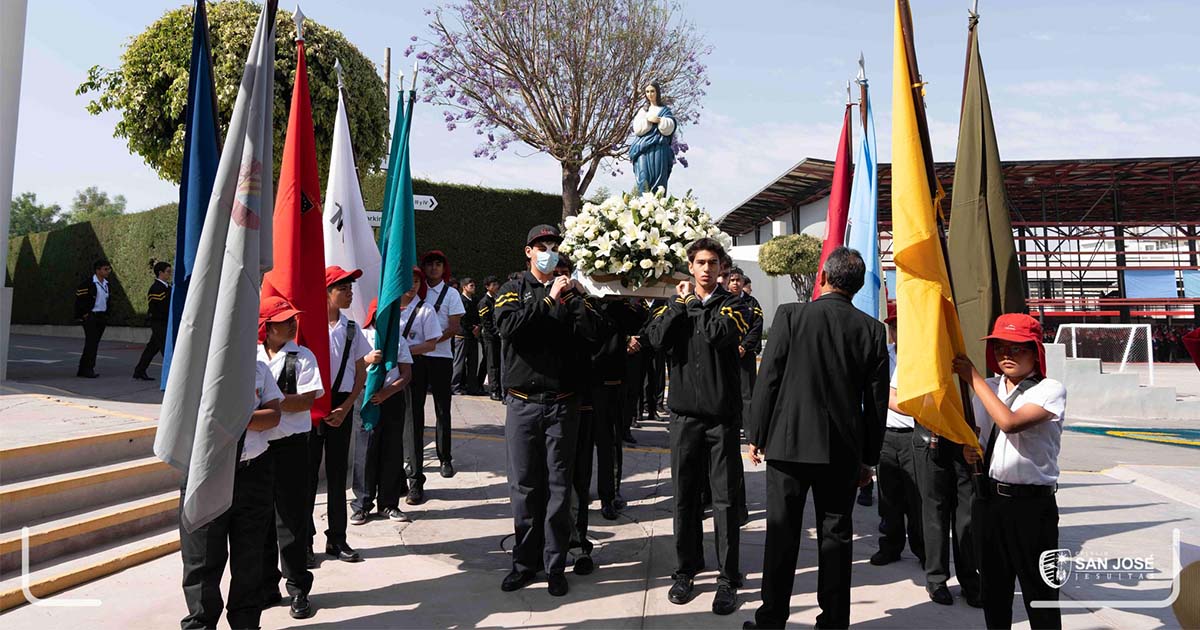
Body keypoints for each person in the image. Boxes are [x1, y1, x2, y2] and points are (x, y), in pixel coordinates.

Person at [745, 247, 889, 630]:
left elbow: (769, 379)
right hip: (842, 451)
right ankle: (834, 621)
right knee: (836, 537)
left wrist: (755, 434)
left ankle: (772, 619)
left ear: (823, 276)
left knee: (782, 534)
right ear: (857, 287)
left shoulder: (791, 316)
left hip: (788, 444)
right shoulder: (872, 331)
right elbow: (876, 403)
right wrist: (868, 459)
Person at [496, 224, 601, 597]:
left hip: (561, 405)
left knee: (559, 489)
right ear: (528, 251)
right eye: (542, 245)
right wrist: (546, 301)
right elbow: (509, 328)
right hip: (523, 404)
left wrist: (575, 298)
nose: (548, 251)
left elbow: (594, 334)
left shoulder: (571, 292)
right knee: (525, 487)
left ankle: (556, 564)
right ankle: (525, 563)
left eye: (554, 246)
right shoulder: (513, 290)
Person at [646, 237, 747, 616]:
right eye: (700, 262)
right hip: (685, 417)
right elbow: (655, 339)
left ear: (722, 268)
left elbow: (720, 334)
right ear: (690, 267)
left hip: (721, 418)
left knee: (723, 500)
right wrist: (678, 306)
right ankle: (686, 570)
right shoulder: (675, 305)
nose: (707, 269)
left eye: (713, 262)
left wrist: (692, 307)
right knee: (685, 497)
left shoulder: (736, 305)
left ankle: (728, 576)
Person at [953, 314, 1066, 630]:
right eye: (1000, 347)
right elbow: (980, 435)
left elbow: (1010, 422)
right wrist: (969, 449)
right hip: (990, 501)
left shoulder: (1050, 390)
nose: (1007, 355)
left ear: (1035, 351)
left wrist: (971, 376)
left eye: (1017, 349)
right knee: (995, 592)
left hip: (1032, 506)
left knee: (1040, 594)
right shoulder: (988, 387)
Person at [178, 356, 282, 630]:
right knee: (201, 559)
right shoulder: (198, 368)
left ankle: (246, 623)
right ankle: (200, 624)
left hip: (252, 472)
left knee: (250, 558)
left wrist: (235, 418)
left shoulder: (258, 369)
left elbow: (273, 415)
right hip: (208, 472)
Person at [257, 296, 322, 620]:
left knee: (292, 521)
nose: (293, 323)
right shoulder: (252, 357)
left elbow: (307, 401)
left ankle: (298, 588)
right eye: (285, 320)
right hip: (258, 448)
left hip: (292, 446)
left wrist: (268, 403)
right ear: (267, 328)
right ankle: (267, 585)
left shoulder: (302, 356)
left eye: (293, 318)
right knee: (260, 520)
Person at [306, 266, 373, 565]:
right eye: (343, 288)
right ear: (327, 292)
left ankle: (337, 538)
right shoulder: (307, 326)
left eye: (351, 288)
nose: (349, 293)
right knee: (306, 479)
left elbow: (361, 372)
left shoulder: (351, 328)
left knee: (336, 478)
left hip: (341, 406)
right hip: (310, 407)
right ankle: (304, 542)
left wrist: (346, 408)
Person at [870, 305, 927, 575]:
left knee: (916, 496)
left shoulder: (922, 359)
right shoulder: (882, 356)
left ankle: (923, 548)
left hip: (914, 435)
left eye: (902, 326)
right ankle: (890, 545)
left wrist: (893, 400)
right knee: (888, 497)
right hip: (886, 434)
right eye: (894, 327)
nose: (897, 332)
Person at [408, 250, 465, 490]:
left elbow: (454, 327)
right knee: (415, 411)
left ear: (444, 268)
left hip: (440, 356)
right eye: (429, 264)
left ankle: (445, 458)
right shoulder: (415, 291)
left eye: (438, 264)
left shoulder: (451, 293)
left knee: (443, 409)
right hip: (416, 359)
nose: (433, 268)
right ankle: (414, 460)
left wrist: (430, 341)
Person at [629, 81, 677, 194]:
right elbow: (637, 129)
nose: (650, 94)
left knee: (659, 179)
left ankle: (657, 207)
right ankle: (643, 206)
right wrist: (648, 120)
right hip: (643, 148)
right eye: (647, 91)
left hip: (659, 148)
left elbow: (671, 126)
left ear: (657, 92)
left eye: (652, 91)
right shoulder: (643, 111)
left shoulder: (665, 110)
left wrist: (660, 120)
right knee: (643, 178)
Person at [73, 259, 113, 378]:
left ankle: (83, 369)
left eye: (108, 269)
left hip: (101, 316)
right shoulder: (88, 284)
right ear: (98, 270)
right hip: (91, 316)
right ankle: (87, 369)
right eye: (105, 269)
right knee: (91, 343)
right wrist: (84, 314)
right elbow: (80, 301)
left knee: (94, 343)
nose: (108, 271)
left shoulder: (106, 284)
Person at [134, 261, 172, 381]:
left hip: (163, 321)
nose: (169, 274)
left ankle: (139, 371)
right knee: (165, 348)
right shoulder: (156, 288)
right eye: (168, 272)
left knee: (152, 348)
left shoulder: (167, 287)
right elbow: (160, 306)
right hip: (159, 322)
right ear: (160, 273)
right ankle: (171, 374)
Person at [452, 276, 484, 395]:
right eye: (471, 285)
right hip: (462, 335)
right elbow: (461, 318)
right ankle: (455, 386)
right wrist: (472, 328)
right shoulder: (460, 300)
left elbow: (478, 315)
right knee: (459, 362)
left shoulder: (475, 300)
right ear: (464, 287)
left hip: (473, 335)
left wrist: (478, 326)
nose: (473, 287)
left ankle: (472, 387)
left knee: (473, 362)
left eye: (474, 285)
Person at [477, 275, 503, 401]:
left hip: (498, 336)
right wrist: (495, 332)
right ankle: (494, 390)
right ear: (487, 287)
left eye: (496, 284)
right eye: (493, 285)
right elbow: (486, 322)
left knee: (498, 362)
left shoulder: (497, 299)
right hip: (489, 337)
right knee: (492, 364)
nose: (496, 287)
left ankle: (499, 388)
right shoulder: (484, 302)